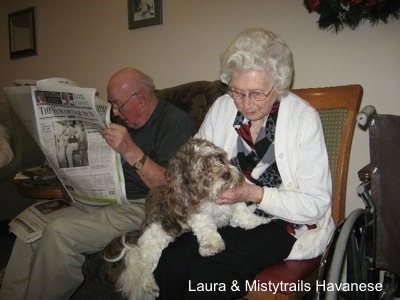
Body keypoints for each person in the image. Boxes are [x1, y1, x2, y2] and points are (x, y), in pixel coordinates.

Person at [153, 28, 334, 300]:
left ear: (279, 85)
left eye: (257, 93)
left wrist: (253, 193)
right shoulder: (224, 107)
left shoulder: (303, 119)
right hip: (225, 212)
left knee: (209, 275)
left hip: (282, 222)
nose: (245, 104)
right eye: (237, 91)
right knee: (169, 263)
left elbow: (315, 203)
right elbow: (194, 161)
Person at [0, 67, 197, 300]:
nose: (114, 111)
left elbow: (172, 186)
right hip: (102, 198)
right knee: (29, 226)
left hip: (141, 205)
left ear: (141, 98)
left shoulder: (173, 122)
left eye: (117, 104)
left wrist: (130, 150)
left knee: (60, 233)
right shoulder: (121, 121)